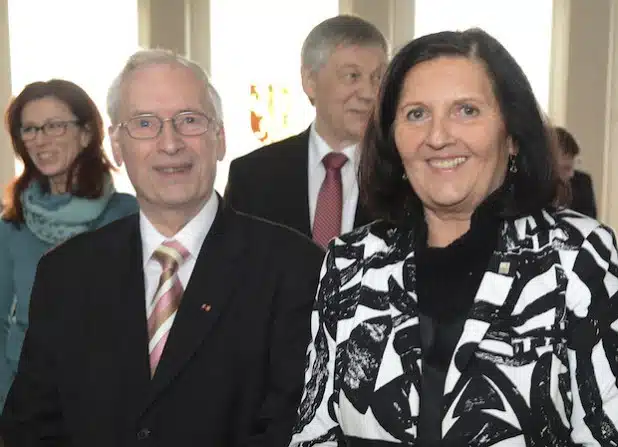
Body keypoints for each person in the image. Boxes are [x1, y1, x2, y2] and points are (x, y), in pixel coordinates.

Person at [291, 29, 618, 446]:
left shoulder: (578, 256)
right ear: (394, 140)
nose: (439, 136)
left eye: (466, 110)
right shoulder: (349, 262)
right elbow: (314, 430)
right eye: (416, 114)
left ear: (512, 135)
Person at [0, 50, 324, 446]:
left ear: (219, 138)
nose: (170, 144)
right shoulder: (65, 273)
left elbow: (290, 426)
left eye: (189, 120)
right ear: (117, 146)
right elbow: (31, 427)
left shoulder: (297, 267)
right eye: (145, 124)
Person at [0, 79, 138, 407]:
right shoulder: (11, 226)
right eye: (29, 129)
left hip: (112, 404)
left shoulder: (128, 216)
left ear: (87, 133)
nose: (40, 140)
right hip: (28, 407)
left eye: (55, 126)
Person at [225, 15, 388, 248]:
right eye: (352, 76)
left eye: (378, 78)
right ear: (310, 81)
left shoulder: (400, 175)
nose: (369, 93)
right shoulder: (252, 176)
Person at [554, 125, 597, 218]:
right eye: (566, 168)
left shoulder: (583, 183)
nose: (571, 174)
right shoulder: (534, 188)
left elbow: (590, 223)